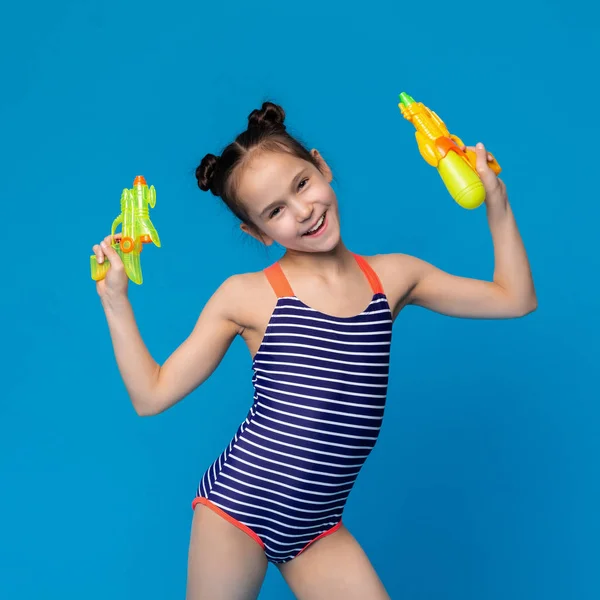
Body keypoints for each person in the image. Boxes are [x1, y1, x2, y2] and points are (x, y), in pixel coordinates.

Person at [91, 101, 537, 600]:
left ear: (321, 167)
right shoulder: (247, 295)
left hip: (317, 526)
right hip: (239, 508)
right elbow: (150, 395)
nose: (303, 212)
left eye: (302, 184)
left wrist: (497, 201)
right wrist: (114, 299)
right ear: (258, 233)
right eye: (275, 212)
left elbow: (515, 299)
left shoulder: (394, 278)